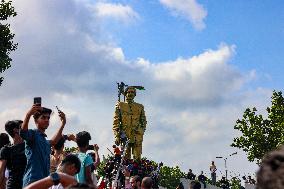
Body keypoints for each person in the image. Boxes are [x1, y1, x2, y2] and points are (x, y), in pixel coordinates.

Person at [20, 104, 67, 187]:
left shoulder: (45, 141)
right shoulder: (33, 134)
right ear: (36, 121)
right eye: (43, 117)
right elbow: (23, 133)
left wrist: (63, 124)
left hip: (44, 182)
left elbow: (54, 141)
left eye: (48, 118)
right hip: (32, 181)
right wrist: (28, 114)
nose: (46, 120)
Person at [113, 86, 147, 159]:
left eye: (132, 92)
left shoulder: (140, 107)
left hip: (137, 136)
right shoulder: (120, 105)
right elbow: (116, 122)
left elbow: (143, 121)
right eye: (128, 92)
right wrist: (117, 136)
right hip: (124, 135)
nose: (130, 94)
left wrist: (141, 131)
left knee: (137, 158)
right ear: (125, 94)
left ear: (135, 94)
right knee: (125, 159)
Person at [0, 120, 27, 189]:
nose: (26, 129)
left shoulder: (29, 146)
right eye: (23, 127)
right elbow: (1, 172)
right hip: (13, 186)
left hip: (29, 184)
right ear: (16, 130)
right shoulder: (6, 150)